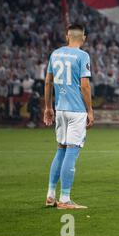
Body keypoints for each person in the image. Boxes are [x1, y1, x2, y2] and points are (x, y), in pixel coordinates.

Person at [43, 24, 94, 209]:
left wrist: (48, 107)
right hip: (76, 110)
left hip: (60, 109)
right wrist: (89, 110)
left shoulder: (55, 54)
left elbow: (48, 82)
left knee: (61, 150)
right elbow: (85, 86)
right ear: (84, 38)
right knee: (72, 151)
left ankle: (50, 195)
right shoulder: (83, 56)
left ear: (67, 36)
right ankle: (64, 199)